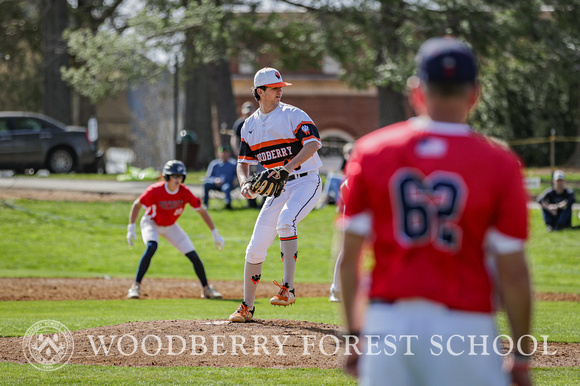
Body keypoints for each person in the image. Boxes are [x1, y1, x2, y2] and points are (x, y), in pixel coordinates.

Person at [340, 37, 532, 386]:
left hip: (389, 325)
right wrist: (520, 356)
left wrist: (355, 334)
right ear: (474, 94)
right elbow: (514, 272)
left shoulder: (372, 151)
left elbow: (348, 258)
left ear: (416, 91)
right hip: (465, 327)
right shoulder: (500, 164)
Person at [228, 67, 323, 323]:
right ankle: (247, 307)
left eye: (281, 87)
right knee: (255, 247)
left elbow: (313, 143)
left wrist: (286, 167)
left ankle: (288, 288)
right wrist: (244, 183)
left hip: (306, 181)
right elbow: (242, 162)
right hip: (278, 189)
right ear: (260, 92)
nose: (280, 91)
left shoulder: (292, 114)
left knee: (285, 221)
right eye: (275, 88)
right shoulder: (249, 125)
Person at [126, 160, 225, 300]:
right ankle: (135, 287)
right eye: (175, 176)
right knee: (151, 247)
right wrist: (131, 228)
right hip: (151, 223)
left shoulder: (184, 192)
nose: (178, 179)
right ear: (167, 177)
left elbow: (202, 211)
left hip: (170, 225)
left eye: (180, 176)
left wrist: (215, 233)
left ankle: (206, 289)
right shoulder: (155, 190)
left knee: (193, 255)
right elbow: (137, 204)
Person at [231, 101, 261, 209]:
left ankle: (264, 200)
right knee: (247, 178)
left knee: (261, 175)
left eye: (250, 112)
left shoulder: (258, 122)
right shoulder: (240, 123)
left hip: (259, 155)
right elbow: (234, 139)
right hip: (246, 155)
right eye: (246, 112)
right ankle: (251, 202)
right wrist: (238, 154)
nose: (248, 114)